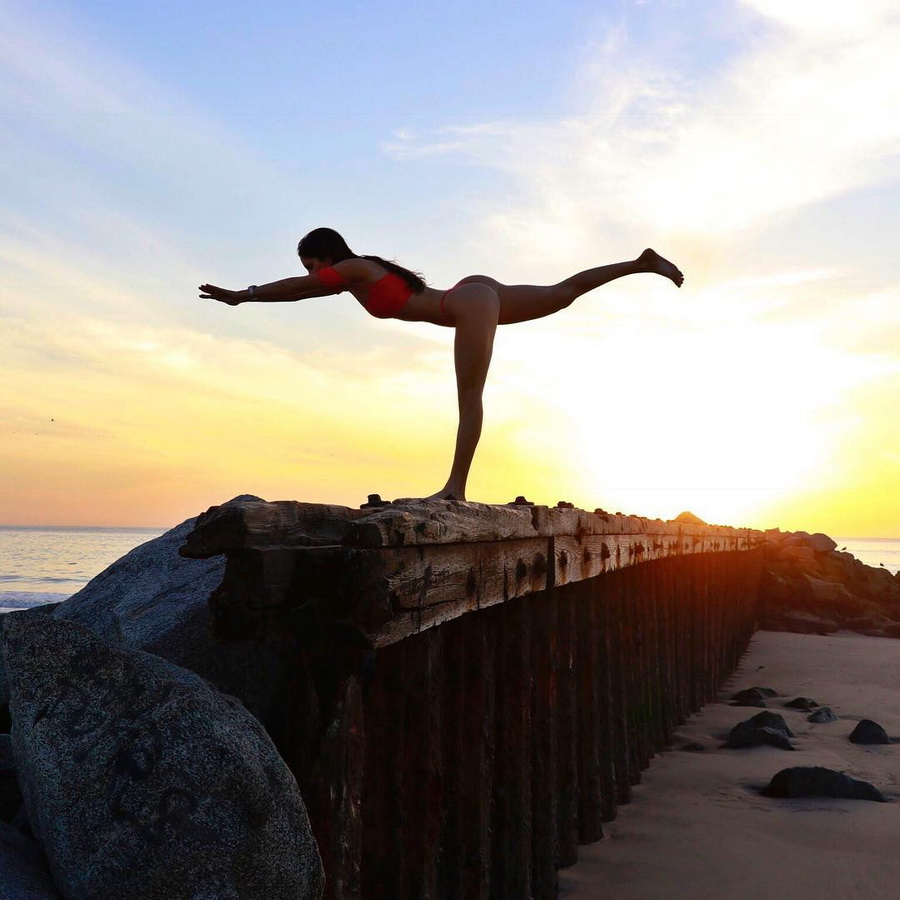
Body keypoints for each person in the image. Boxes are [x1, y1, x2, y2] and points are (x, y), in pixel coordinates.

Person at [200, 227, 683, 502]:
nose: (312, 273)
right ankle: (641, 263)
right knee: (561, 294)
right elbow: (305, 286)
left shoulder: (350, 269)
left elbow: (298, 288)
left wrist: (245, 297)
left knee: (469, 398)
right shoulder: (364, 269)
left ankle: (455, 488)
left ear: (325, 256)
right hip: (469, 293)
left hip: (466, 305)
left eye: (312, 263)